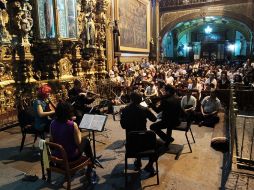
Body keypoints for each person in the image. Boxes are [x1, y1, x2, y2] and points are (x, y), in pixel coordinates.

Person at [50, 102, 94, 175]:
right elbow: (78, 142)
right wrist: (78, 132)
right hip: (70, 157)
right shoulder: (72, 124)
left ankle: (91, 163)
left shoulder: (52, 123)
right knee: (86, 141)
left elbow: (52, 140)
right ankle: (91, 164)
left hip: (57, 154)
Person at [120, 92, 157, 175]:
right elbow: (154, 119)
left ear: (131, 100)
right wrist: (148, 110)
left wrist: (122, 115)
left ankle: (138, 162)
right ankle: (150, 165)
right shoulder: (144, 109)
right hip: (145, 143)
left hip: (131, 144)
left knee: (135, 136)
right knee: (161, 145)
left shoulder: (125, 109)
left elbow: (123, 126)